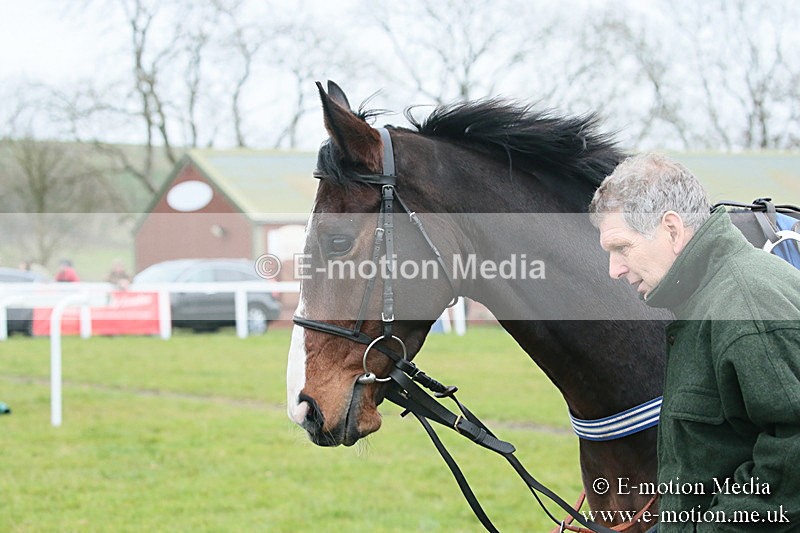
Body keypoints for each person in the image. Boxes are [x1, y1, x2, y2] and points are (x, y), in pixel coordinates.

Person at [588, 153, 800, 532]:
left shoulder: (746, 307)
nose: (614, 270)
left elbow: (792, 463)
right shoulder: (703, 298)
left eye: (622, 248)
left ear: (671, 228)